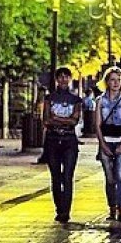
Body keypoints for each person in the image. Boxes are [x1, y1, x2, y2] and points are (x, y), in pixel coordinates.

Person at [42, 66, 82, 224]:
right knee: (55, 176)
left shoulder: (75, 100)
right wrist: (63, 120)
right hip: (52, 140)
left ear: (70, 79)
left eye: (67, 77)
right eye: (61, 77)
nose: (64, 80)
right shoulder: (49, 98)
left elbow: (75, 120)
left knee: (68, 176)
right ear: (56, 79)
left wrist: (57, 118)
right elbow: (46, 120)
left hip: (69, 140)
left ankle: (66, 210)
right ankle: (59, 208)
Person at [94, 67, 121, 222]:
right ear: (107, 82)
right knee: (110, 178)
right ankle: (112, 207)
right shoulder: (100, 101)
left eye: (118, 80)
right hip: (106, 140)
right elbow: (97, 124)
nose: (116, 83)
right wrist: (102, 144)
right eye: (112, 79)